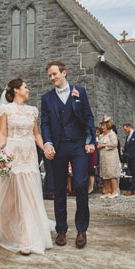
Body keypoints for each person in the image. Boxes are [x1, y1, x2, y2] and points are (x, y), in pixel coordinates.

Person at [0, 78, 54, 255]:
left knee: (30, 197)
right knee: (11, 198)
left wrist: (46, 147)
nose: (28, 90)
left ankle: (27, 238)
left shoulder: (32, 111)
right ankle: (8, 231)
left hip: (29, 155)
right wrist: (1, 154)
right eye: (25, 87)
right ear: (16, 90)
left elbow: (36, 135)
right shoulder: (6, 110)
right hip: (12, 155)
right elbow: (3, 133)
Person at [41, 61, 96, 249]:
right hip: (58, 147)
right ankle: (61, 229)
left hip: (79, 145)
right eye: (49, 75)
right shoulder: (47, 98)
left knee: (80, 185)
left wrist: (91, 141)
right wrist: (47, 143)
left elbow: (89, 117)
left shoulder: (79, 92)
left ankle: (82, 229)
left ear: (64, 73)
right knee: (59, 189)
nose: (52, 78)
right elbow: (45, 123)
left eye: (55, 74)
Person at [97, 116, 121, 199]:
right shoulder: (103, 135)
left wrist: (103, 145)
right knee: (104, 174)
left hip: (111, 157)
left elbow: (114, 144)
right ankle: (106, 191)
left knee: (111, 174)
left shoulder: (112, 133)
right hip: (103, 157)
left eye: (104, 125)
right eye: (102, 125)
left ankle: (114, 191)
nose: (102, 127)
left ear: (108, 125)